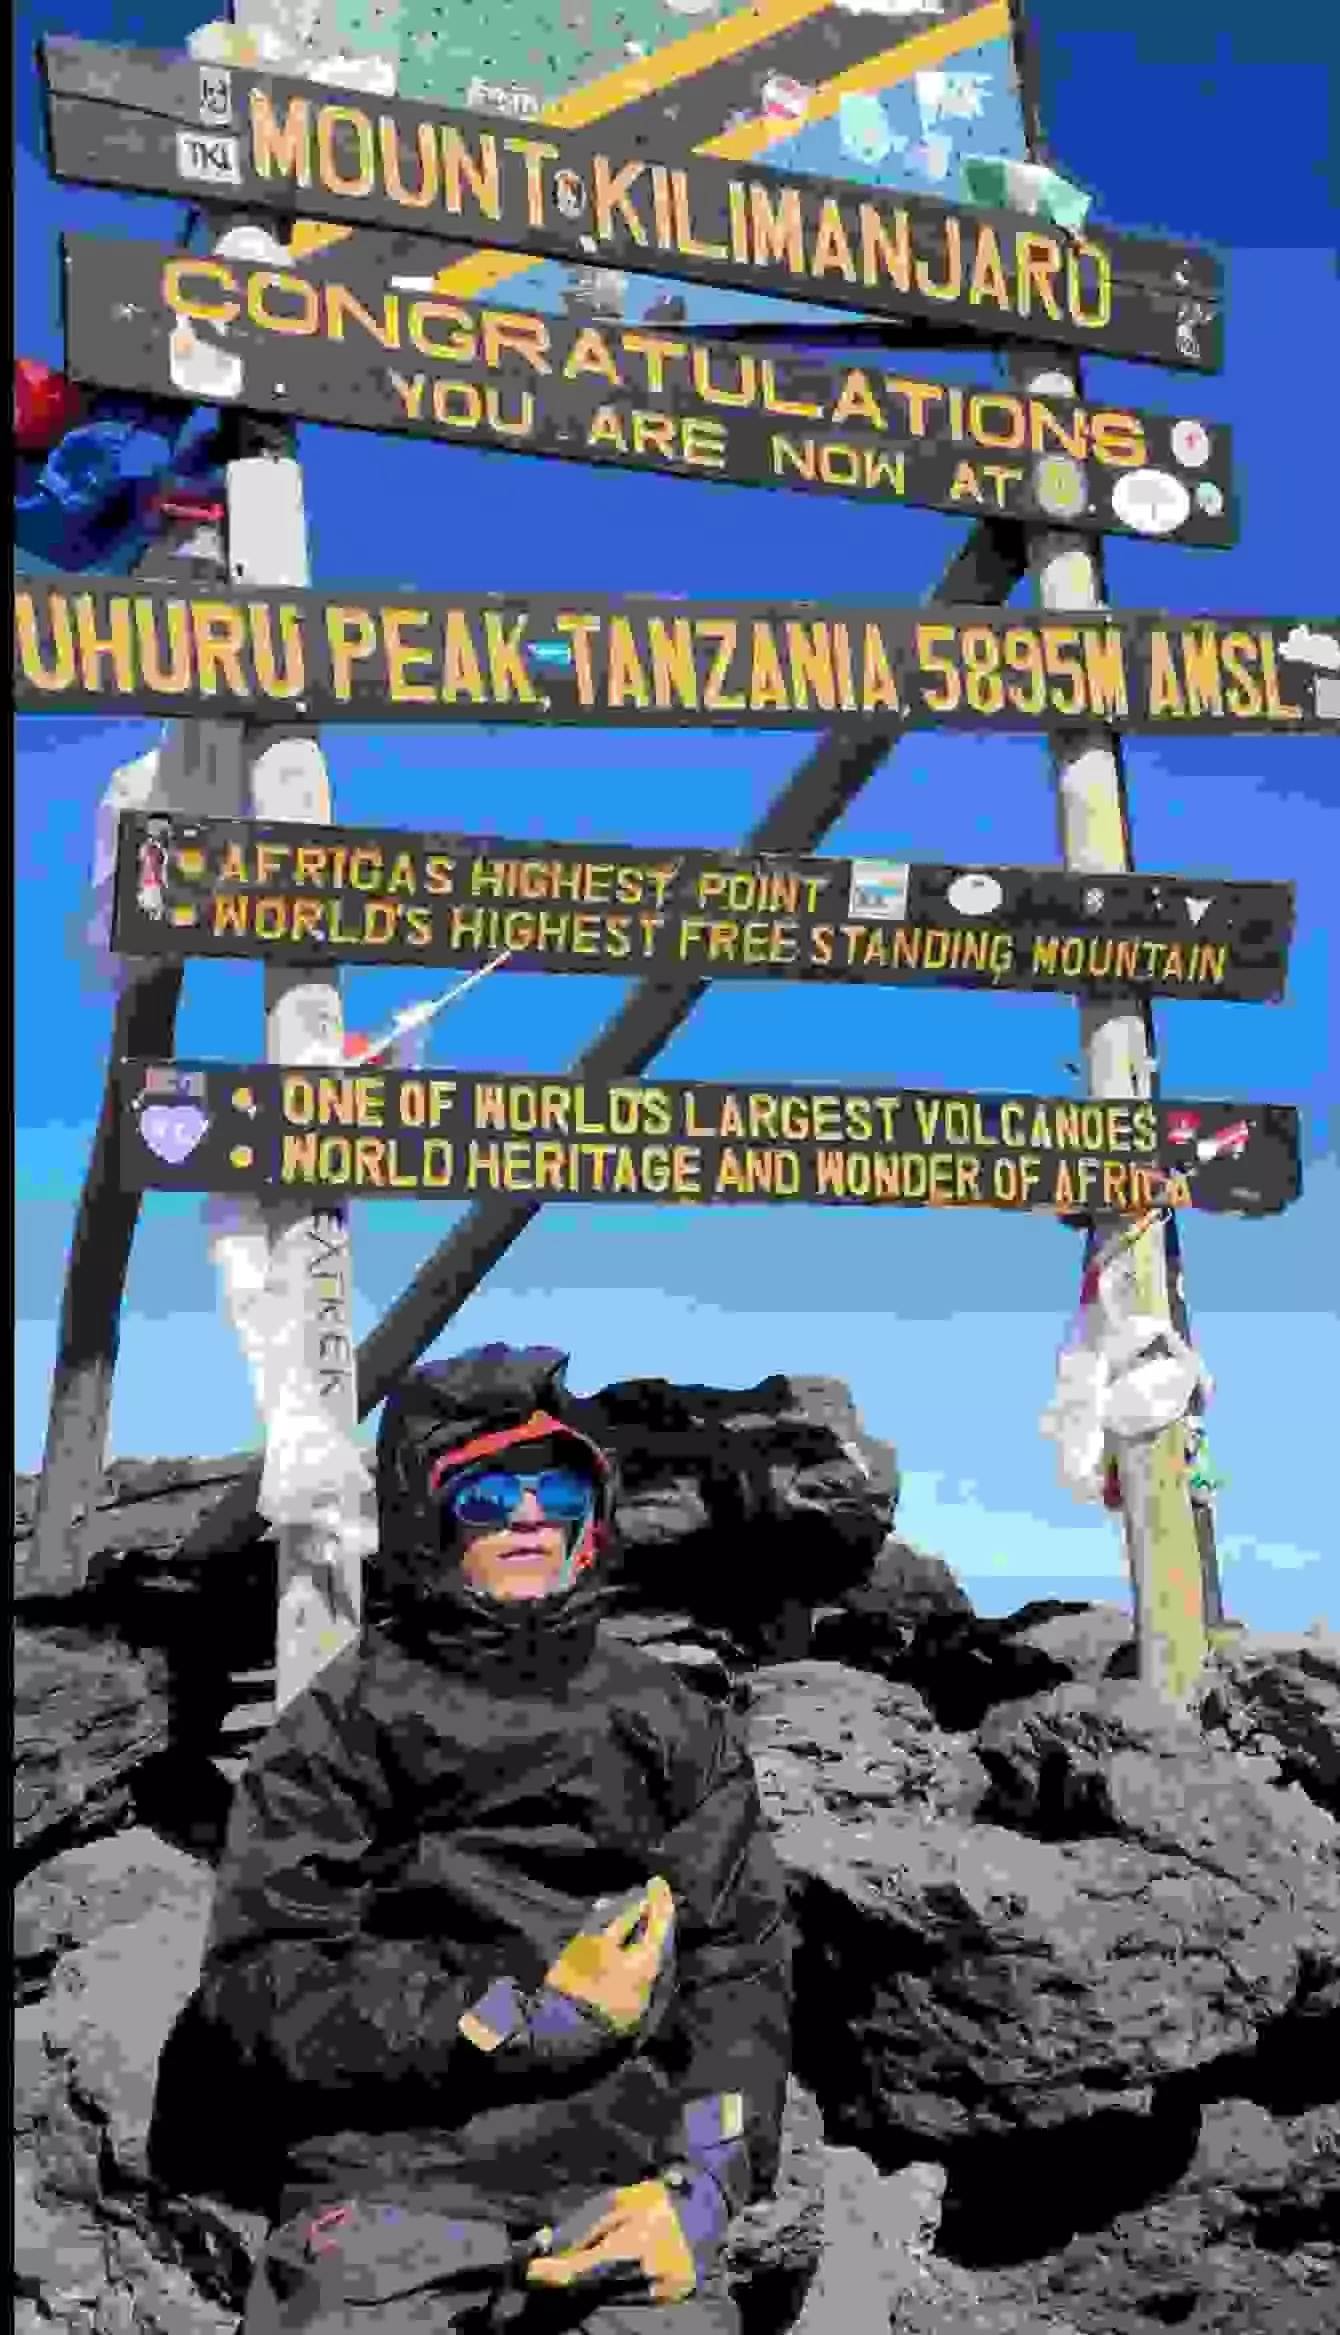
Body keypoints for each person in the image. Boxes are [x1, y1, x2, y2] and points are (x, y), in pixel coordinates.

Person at [152, 1344, 793, 2334]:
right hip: (391, 2195)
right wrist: (508, 2020)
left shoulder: (675, 1723)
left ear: (592, 1515)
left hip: (614, 2192)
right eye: (490, 1494)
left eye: (557, 1488)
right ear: (429, 1517)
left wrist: (700, 2191)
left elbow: (739, 1975)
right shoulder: (340, 1727)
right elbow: (257, 1991)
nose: (529, 1515)